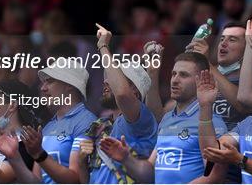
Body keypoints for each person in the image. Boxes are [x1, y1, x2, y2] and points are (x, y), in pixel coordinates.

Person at [97, 52, 227, 184]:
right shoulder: (167, 120)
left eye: (184, 75)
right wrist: (126, 158)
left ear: (201, 80)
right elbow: (149, 173)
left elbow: (215, 176)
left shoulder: (211, 121)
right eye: (173, 74)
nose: (175, 80)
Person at [76, 24, 158, 184]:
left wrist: (103, 46)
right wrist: (80, 162)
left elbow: (122, 93)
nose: (106, 81)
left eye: (115, 78)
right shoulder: (100, 126)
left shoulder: (141, 119)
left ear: (134, 91)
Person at [0, 61, 97, 184]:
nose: (43, 88)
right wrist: (14, 157)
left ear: (69, 84)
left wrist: (39, 154)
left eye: (50, 81)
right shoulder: (48, 127)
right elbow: (37, 182)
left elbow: (76, 179)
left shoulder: (86, 121)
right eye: (43, 83)